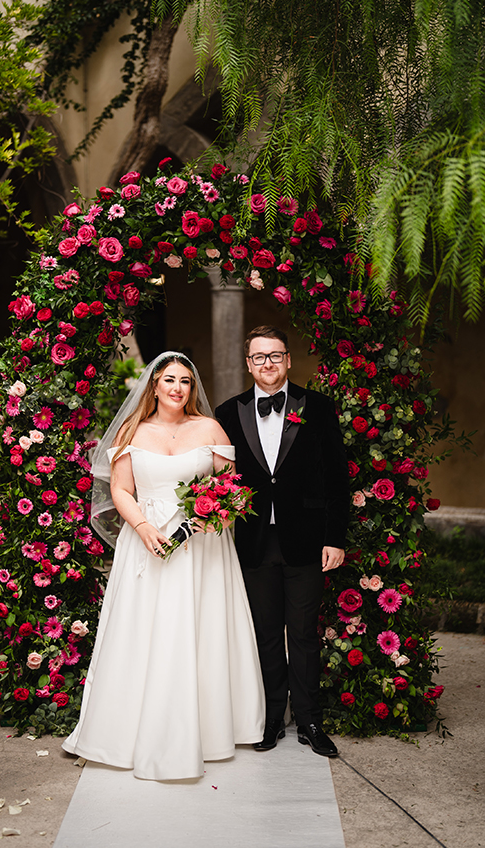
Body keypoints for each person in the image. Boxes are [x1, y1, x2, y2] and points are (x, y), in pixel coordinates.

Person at [62, 351, 264, 780]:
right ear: (153, 385)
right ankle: (130, 732)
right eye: (169, 379)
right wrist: (142, 527)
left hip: (202, 546)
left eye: (185, 382)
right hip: (146, 542)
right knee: (146, 630)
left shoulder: (209, 428)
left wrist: (210, 517)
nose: (177, 388)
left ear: (193, 389)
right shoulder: (134, 431)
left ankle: (210, 730)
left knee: (201, 627)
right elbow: (120, 489)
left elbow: (232, 489)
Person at [215, 325, 349, 758]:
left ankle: (309, 719)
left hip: (307, 540)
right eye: (259, 357)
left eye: (275, 356)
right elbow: (218, 481)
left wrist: (335, 538)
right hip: (253, 540)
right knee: (266, 633)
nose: (267, 364)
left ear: (288, 360)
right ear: (248, 363)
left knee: (305, 634)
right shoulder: (227, 413)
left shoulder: (319, 407)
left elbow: (336, 480)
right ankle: (273, 717)